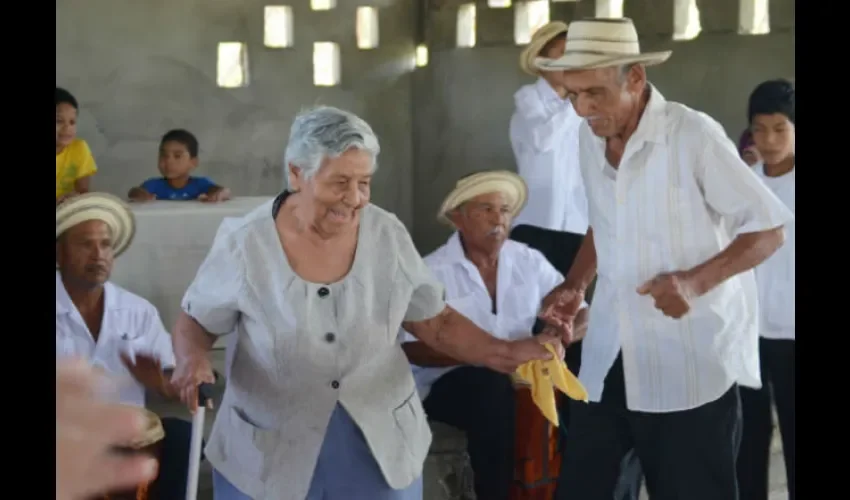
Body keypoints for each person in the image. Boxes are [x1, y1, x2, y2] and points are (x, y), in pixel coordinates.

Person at [168, 106, 564, 500]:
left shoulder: (386, 233)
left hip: (378, 446)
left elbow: (436, 322)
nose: (355, 198)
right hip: (270, 450)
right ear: (296, 174)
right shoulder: (245, 243)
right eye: (340, 181)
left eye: (364, 182)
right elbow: (196, 322)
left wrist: (505, 352)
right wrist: (192, 360)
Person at [536, 18, 794, 500]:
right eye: (572, 96)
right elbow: (603, 218)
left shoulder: (692, 135)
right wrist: (575, 284)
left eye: (594, 93)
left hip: (690, 361)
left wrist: (694, 283)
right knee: (587, 488)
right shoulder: (588, 138)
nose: (583, 109)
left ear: (635, 78)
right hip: (611, 349)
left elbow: (768, 227)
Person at [402, 170, 589, 500]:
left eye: (504, 210)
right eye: (485, 209)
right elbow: (412, 349)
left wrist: (562, 332)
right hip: (450, 378)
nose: (497, 219)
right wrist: (485, 353)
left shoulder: (527, 259)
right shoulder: (431, 271)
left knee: (576, 389)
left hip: (522, 374)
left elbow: (581, 309)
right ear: (458, 218)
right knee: (491, 392)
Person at [56, 192, 196, 499]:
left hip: (129, 441)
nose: (98, 254)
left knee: (182, 438)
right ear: (59, 254)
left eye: (105, 244)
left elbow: (174, 385)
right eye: (85, 244)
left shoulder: (138, 311)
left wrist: (159, 381)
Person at [736, 79, 795, 500]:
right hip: (747, 332)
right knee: (747, 440)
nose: (770, 140)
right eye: (760, 130)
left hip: (792, 333)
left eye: (780, 129)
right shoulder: (741, 186)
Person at [57, 358, 159, 500]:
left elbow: (174, 384)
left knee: (182, 433)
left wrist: (160, 381)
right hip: (72, 430)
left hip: (134, 428)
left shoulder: (153, 337)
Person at [128, 129, 231, 202]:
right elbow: (133, 192)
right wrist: (140, 196)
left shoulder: (200, 184)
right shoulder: (154, 185)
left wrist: (219, 194)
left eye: (177, 156)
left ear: (193, 162)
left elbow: (222, 191)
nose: (168, 161)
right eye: (164, 155)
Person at [56, 87, 97, 204]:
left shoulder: (80, 148)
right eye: (59, 121)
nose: (67, 128)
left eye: (72, 122)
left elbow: (83, 191)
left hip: (67, 211)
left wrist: (74, 197)